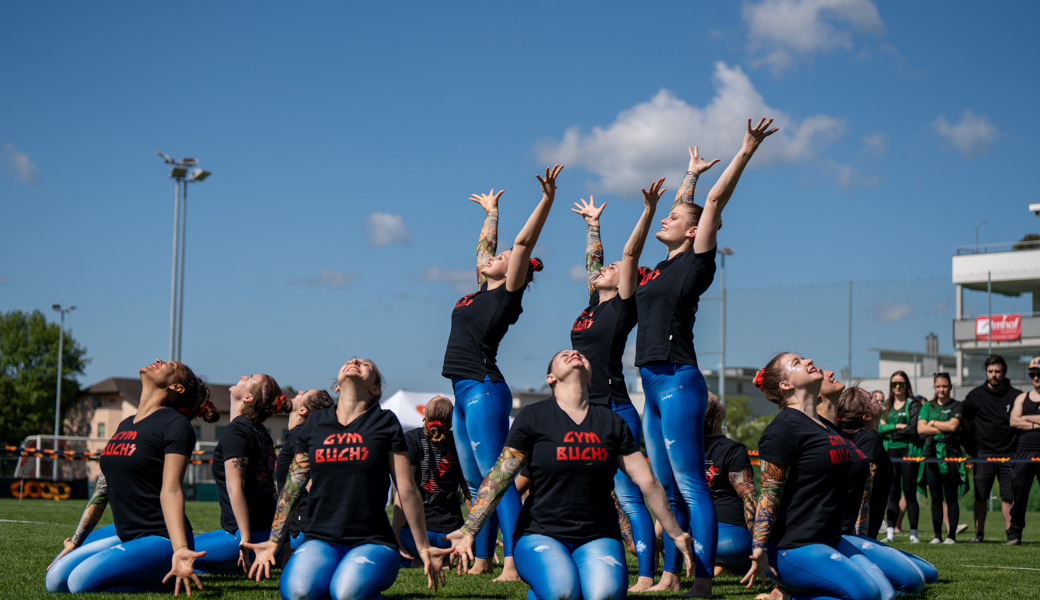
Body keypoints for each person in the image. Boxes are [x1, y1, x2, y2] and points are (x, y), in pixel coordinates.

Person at [635, 119, 776, 596]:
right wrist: (689, 172)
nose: (664, 220)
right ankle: (670, 575)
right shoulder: (656, 270)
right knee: (666, 488)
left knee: (691, 485)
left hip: (678, 378)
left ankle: (700, 582)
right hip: (650, 382)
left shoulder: (696, 261)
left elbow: (709, 205)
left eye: (673, 219)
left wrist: (745, 151)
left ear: (695, 232)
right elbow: (687, 207)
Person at [443, 349, 695, 600]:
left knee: (603, 595)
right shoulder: (532, 417)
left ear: (590, 378)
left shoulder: (611, 422)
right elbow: (500, 477)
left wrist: (675, 532)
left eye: (579, 354)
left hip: (599, 535)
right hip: (539, 534)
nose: (574, 352)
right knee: (563, 592)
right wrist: (469, 530)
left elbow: (648, 482)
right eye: (563, 355)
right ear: (550, 377)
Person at [441, 164, 563, 580]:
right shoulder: (479, 291)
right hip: (462, 391)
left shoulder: (506, 298)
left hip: (484, 388)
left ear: (519, 272)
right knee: (477, 483)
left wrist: (547, 199)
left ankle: (513, 561)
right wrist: (490, 213)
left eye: (506, 260)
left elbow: (523, 242)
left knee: (500, 478)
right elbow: (483, 252)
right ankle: (482, 557)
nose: (493, 259)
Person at [245, 358, 444, 599]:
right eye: (350, 361)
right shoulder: (316, 423)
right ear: (337, 386)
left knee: (346, 592)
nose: (355, 361)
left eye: (365, 364)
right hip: (319, 540)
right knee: (299, 592)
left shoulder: (385, 422)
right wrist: (273, 543)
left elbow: (407, 488)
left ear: (375, 388)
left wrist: (423, 547)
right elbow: (292, 486)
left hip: (373, 541)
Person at [46, 359, 218, 596]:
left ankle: (162, 579)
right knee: (54, 579)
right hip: (125, 532)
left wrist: (180, 549)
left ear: (177, 388)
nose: (159, 361)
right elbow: (103, 488)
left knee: (78, 582)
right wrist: (75, 542)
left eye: (170, 365)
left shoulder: (176, 425)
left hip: (161, 538)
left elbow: (172, 490)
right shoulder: (126, 424)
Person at [568, 183, 662, 591]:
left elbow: (628, 256)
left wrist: (647, 211)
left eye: (611, 271)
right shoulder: (593, 305)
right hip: (584, 409)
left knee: (631, 494)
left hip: (614, 408)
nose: (602, 272)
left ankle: (646, 574)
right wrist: (593, 226)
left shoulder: (623, 303)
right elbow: (596, 263)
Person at [741, 353, 883, 600]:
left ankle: (792, 595)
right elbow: (770, 494)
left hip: (830, 540)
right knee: (868, 595)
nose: (808, 361)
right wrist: (759, 547)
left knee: (886, 592)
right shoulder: (782, 428)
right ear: (786, 385)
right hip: (794, 548)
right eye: (797, 363)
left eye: (804, 358)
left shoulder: (826, 428)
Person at [836, 386, 932, 597]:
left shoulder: (862, 437)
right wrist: (860, 543)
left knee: (930, 572)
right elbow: (863, 491)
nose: (877, 397)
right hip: (856, 538)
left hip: (857, 536)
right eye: (871, 398)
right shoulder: (869, 437)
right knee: (905, 585)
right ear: (866, 415)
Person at [194, 373, 284, 573]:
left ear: (248, 398)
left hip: (247, 539)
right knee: (201, 567)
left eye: (250, 377)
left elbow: (235, 488)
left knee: (169, 554)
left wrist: (245, 540)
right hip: (267, 536)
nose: (243, 376)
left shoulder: (236, 432)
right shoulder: (261, 432)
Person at [392, 395, 467, 560]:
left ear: (424, 415)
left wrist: (395, 535)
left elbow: (404, 490)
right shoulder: (460, 441)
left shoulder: (411, 439)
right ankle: (444, 560)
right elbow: (467, 488)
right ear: (452, 420)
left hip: (413, 535)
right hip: (450, 536)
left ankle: (417, 561)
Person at [962, 354, 1021, 543]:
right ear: (986, 372)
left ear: (1004, 372)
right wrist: (973, 450)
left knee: (1008, 496)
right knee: (980, 496)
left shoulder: (1015, 395)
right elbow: (962, 423)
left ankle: (1011, 535)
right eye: (990, 371)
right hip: (982, 455)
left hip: (1008, 455)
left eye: (998, 371)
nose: (994, 375)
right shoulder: (975, 396)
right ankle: (979, 535)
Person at [274, 388, 334, 552]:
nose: (299, 391)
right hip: (297, 531)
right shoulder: (296, 435)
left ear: (303, 410)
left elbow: (312, 485)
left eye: (304, 393)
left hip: (300, 533)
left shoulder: (300, 437)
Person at [703, 393, 755, 576]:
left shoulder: (687, 451)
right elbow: (747, 493)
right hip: (731, 542)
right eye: (717, 400)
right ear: (718, 415)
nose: (721, 399)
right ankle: (728, 564)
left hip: (697, 541)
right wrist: (760, 545)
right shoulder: (734, 450)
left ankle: (719, 565)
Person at [917, 372, 968, 544]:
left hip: (951, 453)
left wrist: (932, 423)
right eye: (938, 386)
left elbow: (954, 426)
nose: (941, 389)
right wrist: (941, 427)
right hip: (931, 455)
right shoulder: (927, 407)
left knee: (951, 495)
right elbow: (920, 429)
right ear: (934, 387)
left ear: (950, 387)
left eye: (944, 386)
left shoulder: (957, 405)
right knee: (936, 497)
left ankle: (951, 535)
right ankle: (937, 535)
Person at [878, 370, 922, 543]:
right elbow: (880, 429)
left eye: (901, 384)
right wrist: (896, 426)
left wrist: (891, 431)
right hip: (890, 454)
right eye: (894, 384)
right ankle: (890, 533)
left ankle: (914, 533)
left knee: (910, 493)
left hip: (908, 453)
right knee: (892, 493)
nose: (897, 387)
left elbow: (913, 428)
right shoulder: (886, 405)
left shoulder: (913, 404)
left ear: (906, 385)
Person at [1006, 356, 1040, 545]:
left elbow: (1021, 420)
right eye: (1033, 374)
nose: (1036, 378)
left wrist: (1026, 419)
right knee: (1018, 495)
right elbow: (1014, 421)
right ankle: (1014, 534)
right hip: (1023, 453)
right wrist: (1037, 422)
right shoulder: (1022, 397)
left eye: (1039, 374)